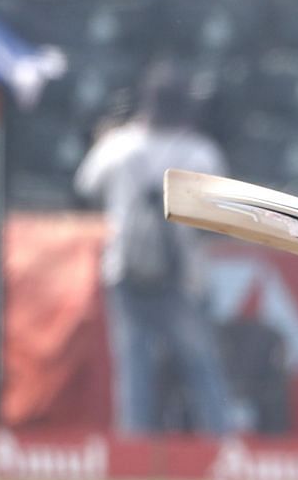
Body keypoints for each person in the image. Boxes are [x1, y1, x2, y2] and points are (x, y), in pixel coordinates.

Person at [73, 64, 232, 436]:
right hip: (184, 277)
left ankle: (133, 452)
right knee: (201, 366)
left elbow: (84, 187)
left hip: (126, 272)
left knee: (134, 369)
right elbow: (219, 218)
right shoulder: (199, 152)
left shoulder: (118, 145)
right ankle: (224, 448)